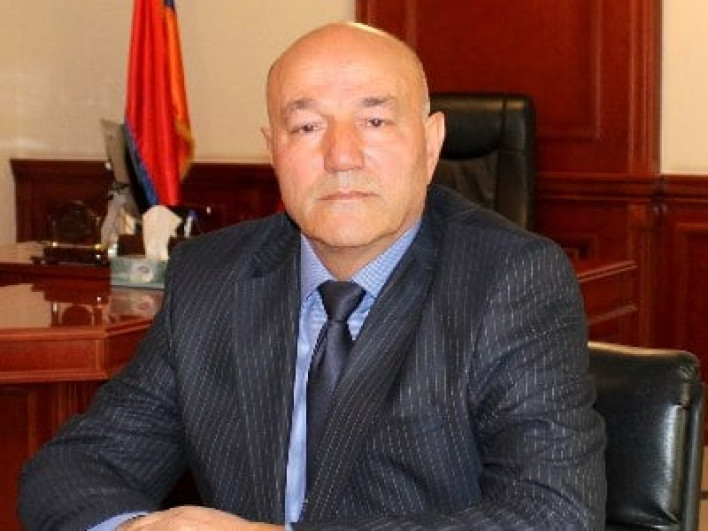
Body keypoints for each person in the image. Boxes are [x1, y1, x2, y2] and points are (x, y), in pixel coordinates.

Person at [19, 21, 606, 530]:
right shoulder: (210, 278)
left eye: (375, 120)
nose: (341, 155)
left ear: (431, 145)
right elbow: (72, 467)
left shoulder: (509, 280)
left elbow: (553, 514)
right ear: (273, 151)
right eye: (306, 127)